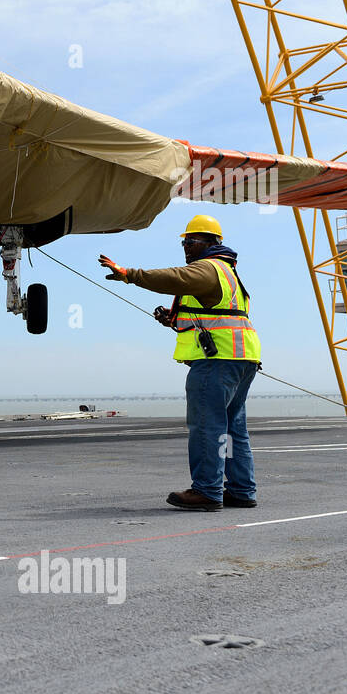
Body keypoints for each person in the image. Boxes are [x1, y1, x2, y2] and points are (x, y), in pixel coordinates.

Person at [98, 215, 261, 512]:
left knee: (207, 425)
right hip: (242, 357)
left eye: (192, 241)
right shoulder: (228, 272)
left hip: (217, 362)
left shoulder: (208, 268)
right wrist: (173, 320)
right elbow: (214, 314)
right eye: (184, 241)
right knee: (232, 428)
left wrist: (129, 274)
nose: (186, 246)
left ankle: (207, 491)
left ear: (212, 243)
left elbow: (173, 278)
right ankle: (240, 490)